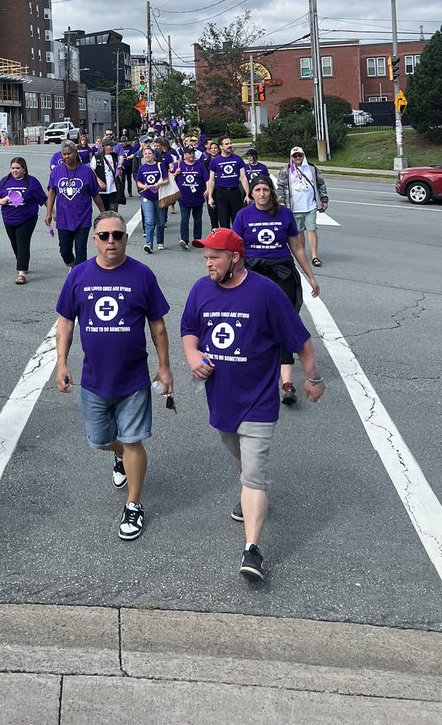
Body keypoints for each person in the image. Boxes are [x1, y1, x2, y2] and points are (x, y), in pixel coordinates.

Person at [180, 228, 325, 582]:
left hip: (259, 400)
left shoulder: (265, 293)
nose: (208, 262)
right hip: (221, 399)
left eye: (215, 256)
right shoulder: (201, 290)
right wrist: (192, 354)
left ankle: (252, 550)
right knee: (237, 453)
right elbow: (189, 329)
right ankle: (251, 487)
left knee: (255, 473)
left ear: (235, 258)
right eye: (206, 256)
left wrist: (314, 378)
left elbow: (300, 340)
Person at [55, 211, 173, 542]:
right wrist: (61, 363)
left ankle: (133, 504)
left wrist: (164, 367)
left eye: (117, 235)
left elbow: (158, 325)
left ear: (126, 238)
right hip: (94, 379)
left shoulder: (142, 275)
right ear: (94, 239)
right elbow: (66, 321)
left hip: (133, 378)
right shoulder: (78, 275)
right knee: (101, 440)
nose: (111, 241)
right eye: (104, 235)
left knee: (134, 440)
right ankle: (118, 455)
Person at [232, 176, 320, 405]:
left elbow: (298, 247)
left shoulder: (284, 214)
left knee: (283, 323)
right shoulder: (243, 216)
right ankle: (251, 374)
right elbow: (236, 249)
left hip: (282, 272)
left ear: (271, 192)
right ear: (251, 193)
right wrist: (230, 276)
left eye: (265, 190)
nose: (262, 194)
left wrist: (310, 276)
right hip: (254, 273)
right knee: (252, 322)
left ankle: (287, 384)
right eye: (257, 190)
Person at [46, 141, 105, 269]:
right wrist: (49, 212)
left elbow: (95, 195)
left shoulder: (87, 171)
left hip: (82, 218)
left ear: (75, 153)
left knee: (81, 251)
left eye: (69, 154)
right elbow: (51, 192)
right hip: (63, 218)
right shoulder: (56, 171)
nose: (66, 156)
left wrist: (103, 213)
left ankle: (79, 275)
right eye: (64, 154)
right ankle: (73, 266)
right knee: (64, 251)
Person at [0, 156, 47, 283]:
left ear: (24, 169)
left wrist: (52, 213)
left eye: (18, 168)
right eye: (12, 168)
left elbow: (43, 198)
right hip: (8, 217)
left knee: (22, 242)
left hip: (27, 217)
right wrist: (1, 201)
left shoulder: (31, 182)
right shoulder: (5, 181)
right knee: (15, 242)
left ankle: (21, 273)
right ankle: (22, 261)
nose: (15, 171)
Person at [276, 146, 329, 268]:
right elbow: (280, 188)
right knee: (299, 232)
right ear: (291, 158)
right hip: (294, 207)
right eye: (295, 156)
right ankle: (302, 254)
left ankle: (315, 256)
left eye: (300, 155)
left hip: (310, 205)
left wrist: (324, 199)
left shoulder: (312, 168)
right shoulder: (286, 170)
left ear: (303, 156)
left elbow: (321, 184)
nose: (298, 158)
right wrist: (282, 202)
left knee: (312, 229)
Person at [206, 136, 250, 229]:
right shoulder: (215, 161)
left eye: (230, 143)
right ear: (221, 147)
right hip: (221, 193)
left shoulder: (238, 159)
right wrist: (210, 197)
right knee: (224, 221)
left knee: (237, 221)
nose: (230, 145)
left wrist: (247, 194)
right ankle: (226, 242)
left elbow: (243, 177)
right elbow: (212, 180)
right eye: (227, 144)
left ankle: (237, 242)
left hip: (235, 192)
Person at [135, 145, 169, 254]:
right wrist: (143, 186)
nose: (147, 156)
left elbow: (166, 180)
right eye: (145, 154)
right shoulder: (142, 168)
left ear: (153, 155)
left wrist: (159, 184)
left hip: (159, 196)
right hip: (147, 196)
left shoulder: (160, 165)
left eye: (149, 154)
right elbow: (138, 182)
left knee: (160, 221)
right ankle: (148, 243)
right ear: (143, 156)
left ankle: (160, 241)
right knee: (149, 221)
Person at [174, 142, 207, 249]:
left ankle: (197, 239)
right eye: (189, 153)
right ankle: (184, 239)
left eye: (193, 153)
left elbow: (207, 179)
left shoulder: (200, 166)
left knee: (198, 220)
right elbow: (169, 179)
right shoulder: (179, 165)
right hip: (184, 197)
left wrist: (207, 191)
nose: (191, 155)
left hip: (198, 197)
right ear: (185, 155)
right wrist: (176, 173)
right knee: (184, 219)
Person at [92, 139, 122, 211]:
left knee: (113, 209)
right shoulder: (97, 157)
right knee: (104, 210)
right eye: (110, 146)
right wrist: (98, 181)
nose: (112, 148)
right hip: (102, 189)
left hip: (113, 188)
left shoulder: (115, 156)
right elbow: (92, 170)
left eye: (112, 146)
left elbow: (118, 168)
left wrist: (118, 172)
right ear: (104, 147)